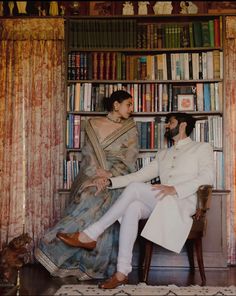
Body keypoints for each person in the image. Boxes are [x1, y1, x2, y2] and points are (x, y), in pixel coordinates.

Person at [57, 112, 215, 289]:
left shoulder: (202, 148)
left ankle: (90, 234)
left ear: (183, 125)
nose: (167, 126)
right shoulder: (164, 153)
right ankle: (122, 273)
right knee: (132, 207)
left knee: (134, 189)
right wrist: (110, 181)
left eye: (170, 123)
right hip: (162, 201)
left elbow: (208, 177)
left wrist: (175, 189)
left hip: (183, 202)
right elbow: (140, 175)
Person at [35, 90, 139, 280]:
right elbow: (88, 156)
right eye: (129, 104)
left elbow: (130, 160)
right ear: (116, 105)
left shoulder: (130, 128)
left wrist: (109, 177)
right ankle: (55, 249)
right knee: (88, 195)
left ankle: (90, 264)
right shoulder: (92, 124)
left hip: (117, 179)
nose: (132, 109)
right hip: (92, 175)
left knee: (104, 200)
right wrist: (96, 176)